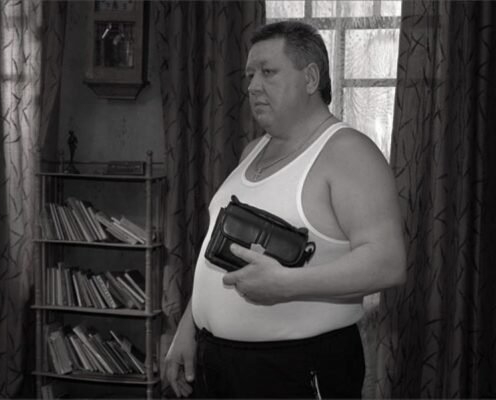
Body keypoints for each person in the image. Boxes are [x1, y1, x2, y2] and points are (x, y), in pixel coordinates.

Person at [164, 21, 406, 399]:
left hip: (296, 368)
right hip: (217, 363)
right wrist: (189, 327)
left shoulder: (349, 153)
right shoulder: (254, 151)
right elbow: (222, 254)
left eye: (268, 72)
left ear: (310, 78)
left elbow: (387, 262)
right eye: (250, 75)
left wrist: (287, 284)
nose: (252, 86)